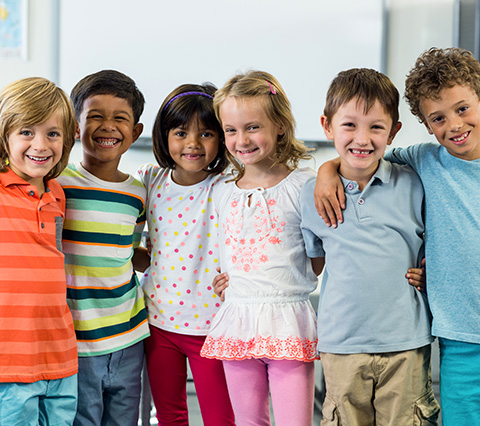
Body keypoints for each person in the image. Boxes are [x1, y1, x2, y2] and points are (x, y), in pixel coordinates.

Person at [314, 48, 480, 426]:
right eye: (438, 118)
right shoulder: (424, 160)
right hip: (460, 336)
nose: (453, 125)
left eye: (463, 109)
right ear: (424, 124)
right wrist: (327, 169)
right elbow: (362, 156)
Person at [300, 68, 439, 425]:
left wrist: (431, 271)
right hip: (342, 345)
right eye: (349, 125)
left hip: (406, 343)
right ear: (327, 126)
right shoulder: (310, 194)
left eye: (376, 127)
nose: (362, 138)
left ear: (393, 131)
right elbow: (311, 264)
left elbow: (439, 241)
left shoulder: (415, 183)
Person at [199, 70, 322, 426]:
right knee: (248, 421)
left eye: (253, 127)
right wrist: (232, 278)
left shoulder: (303, 186)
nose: (241, 139)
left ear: (280, 125)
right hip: (238, 318)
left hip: (287, 321)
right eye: (231, 131)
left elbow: (316, 260)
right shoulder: (221, 190)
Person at [136, 83, 235, 426]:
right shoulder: (150, 180)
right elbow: (131, 245)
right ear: (164, 137)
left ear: (222, 138)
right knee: (168, 416)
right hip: (158, 322)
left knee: (220, 417)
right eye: (180, 132)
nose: (193, 143)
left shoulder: (227, 184)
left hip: (212, 325)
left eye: (206, 133)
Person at [57, 70, 150, 426]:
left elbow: (129, 251)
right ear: (76, 126)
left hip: (129, 337)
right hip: (76, 341)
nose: (107, 126)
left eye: (120, 119)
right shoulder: (58, 183)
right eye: (95, 116)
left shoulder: (138, 193)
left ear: (135, 132)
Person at [0, 77, 78, 425]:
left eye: (53, 133)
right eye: (27, 132)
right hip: (9, 362)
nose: (41, 144)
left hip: (59, 354)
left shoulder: (57, 195)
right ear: (5, 136)